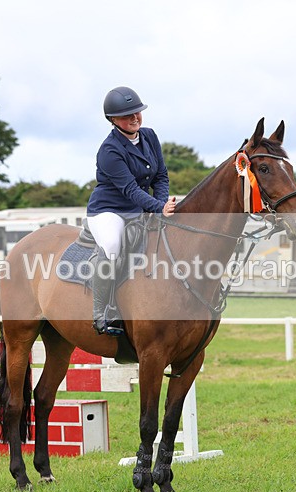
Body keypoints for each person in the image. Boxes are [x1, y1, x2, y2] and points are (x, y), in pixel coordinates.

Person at [86, 86, 177, 336]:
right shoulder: (109, 150)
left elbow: (161, 176)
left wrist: (160, 209)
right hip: (109, 211)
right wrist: (158, 207)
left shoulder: (149, 136)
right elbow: (130, 190)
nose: (135, 118)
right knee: (113, 246)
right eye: (127, 115)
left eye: (137, 112)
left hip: (140, 208)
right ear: (113, 120)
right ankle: (101, 313)